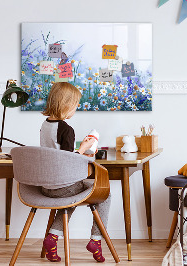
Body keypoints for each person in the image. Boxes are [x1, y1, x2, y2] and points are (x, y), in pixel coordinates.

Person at [40, 82, 110, 263]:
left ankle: (52, 238)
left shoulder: (45, 125)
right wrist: (85, 148)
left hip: (46, 186)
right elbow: (68, 161)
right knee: (105, 194)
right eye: (76, 105)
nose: (76, 109)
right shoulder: (66, 129)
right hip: (63, 186)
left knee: (70, 197)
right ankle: (96, 240)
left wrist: (79, 150)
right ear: (66, 104)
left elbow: (57, 154)